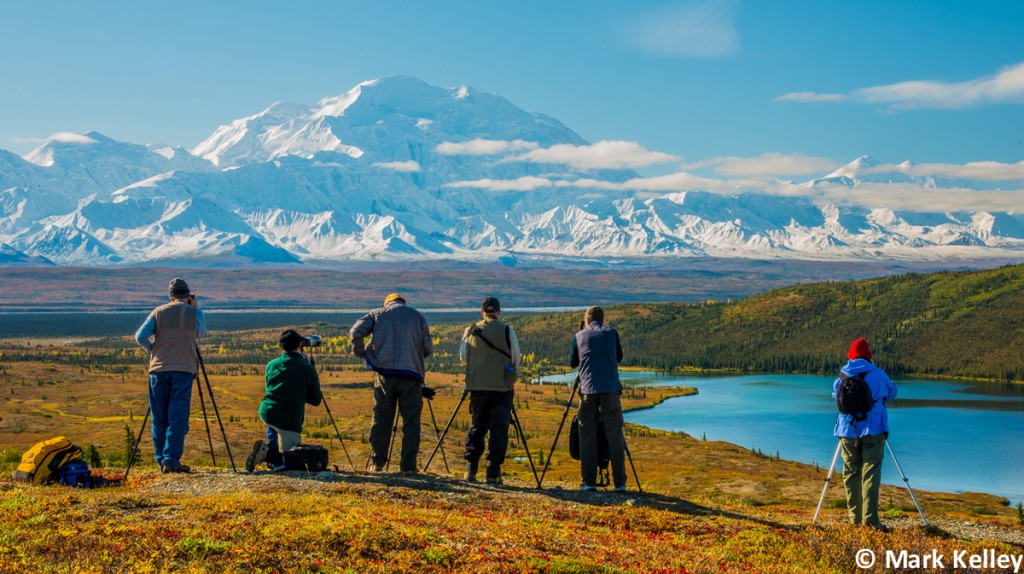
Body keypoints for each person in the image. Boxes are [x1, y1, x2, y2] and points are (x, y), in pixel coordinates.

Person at [350, 293, 433, 473]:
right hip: (412, 375)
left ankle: (377, 463)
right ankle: (408, 466)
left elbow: (356, 331)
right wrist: (414, 357)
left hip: (384, 374)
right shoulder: (417, 316)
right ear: (403, 303)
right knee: (411, 421)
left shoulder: (377, 314)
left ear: (387, 303)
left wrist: (361, 353)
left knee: (381, 418)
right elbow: (427, 348)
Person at [134, 277, 207, 474]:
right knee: (177, 416)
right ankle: (171, 460)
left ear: (170, 296)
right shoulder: (195, 312)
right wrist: (194, 308)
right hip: (183, 369)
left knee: (159, 416)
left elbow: (140, 336)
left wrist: (154, 350)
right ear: (188, 295)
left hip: (158, 370)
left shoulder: (158, 312)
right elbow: (201, 334)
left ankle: (161, 461)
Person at [832, 337, 898, 531]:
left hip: (847, 430)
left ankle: (855, 519)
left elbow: (835, 396)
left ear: (851, 355)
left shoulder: (842, 375)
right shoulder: (878, 373)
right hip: (873, 429)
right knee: (870, 473)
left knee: (851, 472)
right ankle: (871, 521)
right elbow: (892, 392)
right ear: (869, 355)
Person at [459, 296, 521, 484]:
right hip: (502, 388)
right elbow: (516, 359)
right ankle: (492, 473)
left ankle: (471, 470)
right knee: (498, 429)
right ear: (499, 312)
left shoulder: (470, 330)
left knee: (477, 427)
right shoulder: (507, 330)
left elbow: (463, 357)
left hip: (477, 387)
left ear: (482, 312)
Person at [246, 330, 324, 473]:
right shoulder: (306, 368)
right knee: (290, 459)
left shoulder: (271, 364)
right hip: (289, 419)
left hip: (267, 412)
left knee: (274, 422)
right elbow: (316, 400)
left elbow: (272, 389)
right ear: (300, 345)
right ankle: (268, 454)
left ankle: (270, 448)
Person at [570, 306, 627, 492]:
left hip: (588, 390)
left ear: (586, 320)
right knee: (615, 434)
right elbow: (618, 357)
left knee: (587, 434)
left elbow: (572, 362)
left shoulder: (579, 336)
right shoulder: (612, 334)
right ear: (603, 319)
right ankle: (620, 483)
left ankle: (589, 482)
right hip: (610, 389)